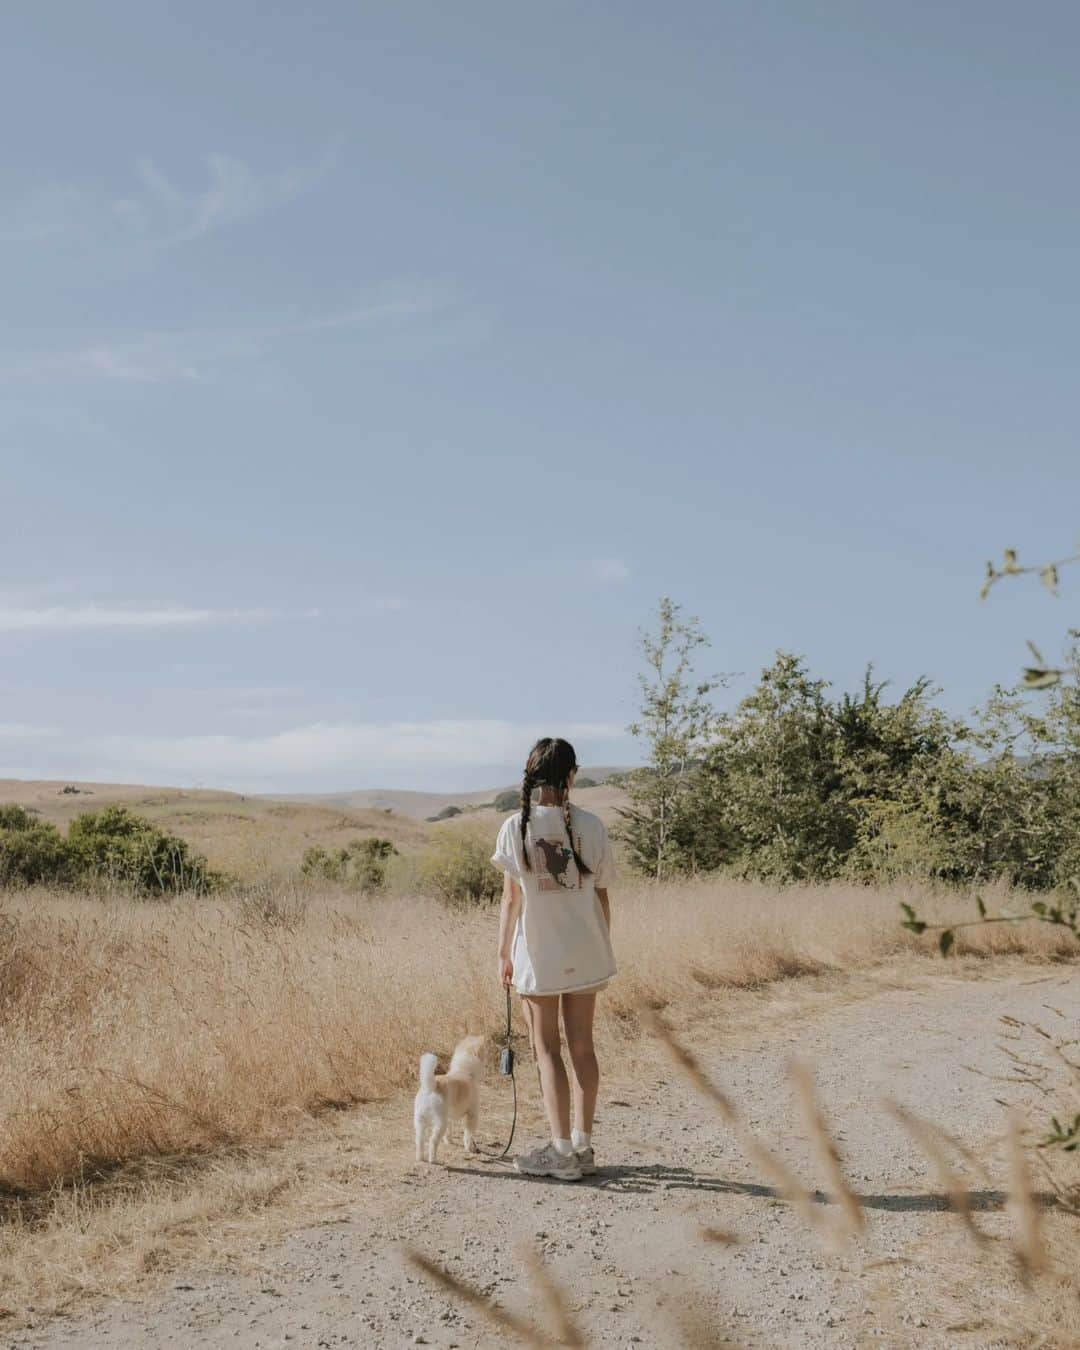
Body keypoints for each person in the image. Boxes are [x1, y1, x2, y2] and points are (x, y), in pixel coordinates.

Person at [491, 737, 617, 1181]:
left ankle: (560, 1151)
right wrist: (601, 945)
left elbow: (511, 901)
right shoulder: (593, 825)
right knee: (583, 1045)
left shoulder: (514, 827)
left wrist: (504, 953)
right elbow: (602, 897)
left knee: (546, 1050)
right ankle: (582, 1147)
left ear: (530, 776)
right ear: (572, 776)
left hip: (539, 956)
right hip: (587, 950)